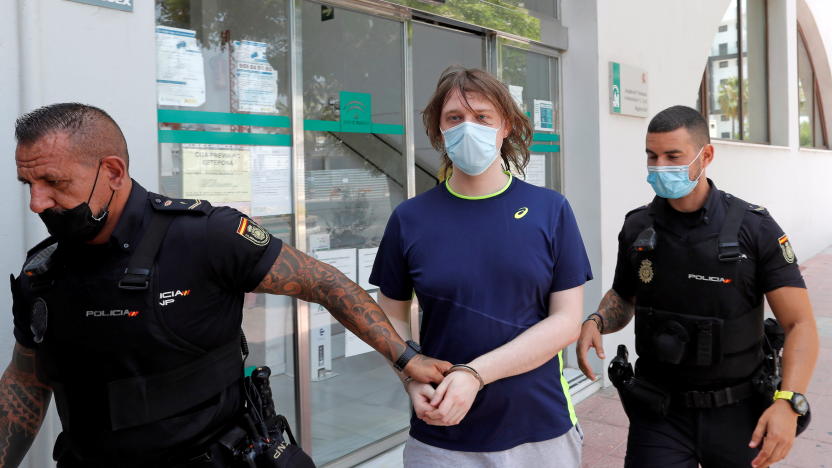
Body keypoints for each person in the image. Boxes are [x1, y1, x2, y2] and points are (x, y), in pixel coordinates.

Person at [4, 103, 451, 468]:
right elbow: (26, 381)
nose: (36, 202)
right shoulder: (41, 273)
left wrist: (406, 358)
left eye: (53, 183)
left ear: (114, 172)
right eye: (28, 183)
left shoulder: (204, 236)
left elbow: (325, 282)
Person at [369, 66, 593, 468]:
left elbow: (565, 322)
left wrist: (475, 374)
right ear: (439, 130)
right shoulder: (410, 219)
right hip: (442, 435)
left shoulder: (550, 210)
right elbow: (388, 316)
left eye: (482, 116)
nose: (467, 126)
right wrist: (408, 375)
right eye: (455, 117)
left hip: (540, 429)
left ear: (505, 126)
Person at [576, 105, 819, 468]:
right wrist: (595, 321)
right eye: (652, 156)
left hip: (738, 411)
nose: (660, 166)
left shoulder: (754, 228)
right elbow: (624, 295)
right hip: (659, 412)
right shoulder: (638, 228)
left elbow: (800, 324)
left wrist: (787, 401)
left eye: (673, 156)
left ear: (706, 155)